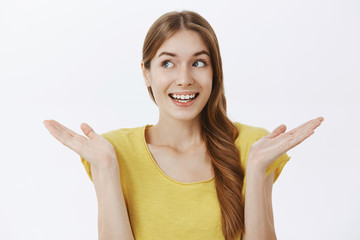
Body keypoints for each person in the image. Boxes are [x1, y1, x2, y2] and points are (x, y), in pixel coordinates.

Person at [43, 10, 324, 240]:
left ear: (215, 72)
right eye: (168, 64)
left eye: (198, 63)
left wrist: (256, 169)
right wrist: (105, 167)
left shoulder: (253, 145)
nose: (184, 78)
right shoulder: (111, 151)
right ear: (146, 73)